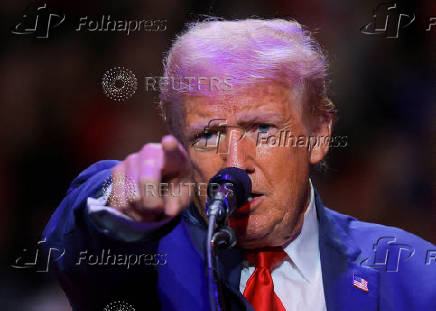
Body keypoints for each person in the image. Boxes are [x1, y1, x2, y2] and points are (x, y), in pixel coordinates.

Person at [42, 19, 436, 311]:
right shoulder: (147, 264)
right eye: (207, 136)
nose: (234, 164)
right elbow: (75, 244)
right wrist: (119, 202)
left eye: (262, 129)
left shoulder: (411, 274)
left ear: (318, 134)